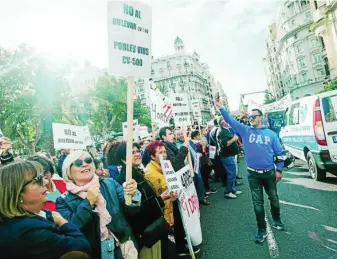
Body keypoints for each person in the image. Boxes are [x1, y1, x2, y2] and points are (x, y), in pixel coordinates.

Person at [216, 100, 285, 244]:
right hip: (253, 174)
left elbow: (279, 154)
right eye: (250, 117)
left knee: (274, 198)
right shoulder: (245, 130)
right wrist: (221, 108)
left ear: (260, 117)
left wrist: (279, 170)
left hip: (269, 173)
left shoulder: (271, 135)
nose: (251, 119)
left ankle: (277, 218)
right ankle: (261, 229)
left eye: (254, 116)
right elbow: (230, 120)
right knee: (257, 203)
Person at [56, 150, 138, 259]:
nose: (85, 164)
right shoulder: (63, 201)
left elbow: (132, 210)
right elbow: (72, 228)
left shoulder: (110, 183)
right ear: (68, 171)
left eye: (88, 160)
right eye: (78, 163)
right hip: (94, 253)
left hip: (123, 247)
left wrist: (133, 194)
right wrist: (88, 203)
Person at [0, 161, 91, 259]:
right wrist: (63, 222)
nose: (46, 182)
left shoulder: (28, 218)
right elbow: (81, 248)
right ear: (17, 192)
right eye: (37, 180)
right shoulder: (30, 232)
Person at [114, 142, 171, 259]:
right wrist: (160, 199)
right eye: (132, 152)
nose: (137, 154)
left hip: (153, 227)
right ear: (123, 160)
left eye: (137, 151)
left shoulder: (138, 173)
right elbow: (134, 211)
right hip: (145, 232)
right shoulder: (125, 181)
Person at [159, 126, 200, 256]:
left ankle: (183, 240)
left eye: (172, 133)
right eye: (170, 134)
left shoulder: (171, 146)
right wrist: (184, 147)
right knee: (178, 217)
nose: (173, 135)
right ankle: (180, 247)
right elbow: (175, 165)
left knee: (182, 215)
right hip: (173, 188)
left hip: (179, 185)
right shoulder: (166, 148)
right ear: (163, 137)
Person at [217, 118, 242, 199]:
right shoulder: (222, 132)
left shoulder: (226, 130)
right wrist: (234, 139)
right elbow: (225, 144)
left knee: (233, 173)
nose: (228, 122)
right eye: (226, 121)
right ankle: (228, 191)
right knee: (231, 173)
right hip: (227, 156)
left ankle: (232, 189)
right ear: (223, 123)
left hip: (229, 155)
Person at [190, 131, 216, 196]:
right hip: (201, 162)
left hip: (204, 160)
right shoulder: (194, 143)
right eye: (198, 135)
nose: (200, 136)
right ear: (194, 137)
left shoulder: (199, 142)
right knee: (204, 176)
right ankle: (206, 189)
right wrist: (203, 146)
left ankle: (207, 188)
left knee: (206, 175)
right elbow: (199, 152)